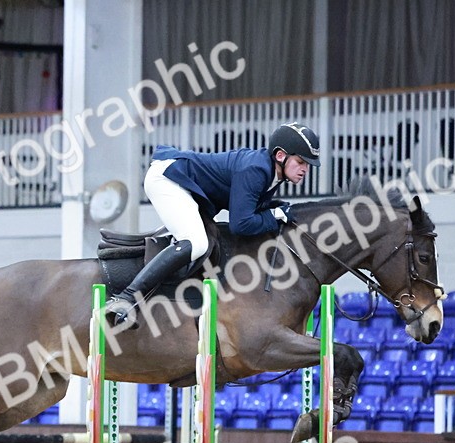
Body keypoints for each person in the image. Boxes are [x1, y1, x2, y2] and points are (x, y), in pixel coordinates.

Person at [105, 121, 321, 328]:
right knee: (195, 242)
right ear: (281, 156)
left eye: (307, 165)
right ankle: (124, 299)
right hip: (168, 179)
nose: (305, 170)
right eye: (301, 162)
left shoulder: (272, 173)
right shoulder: (256, 170)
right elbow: (241, 224)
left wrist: (274, 211)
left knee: (208, 240)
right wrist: (274, 215)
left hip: (188, 188)